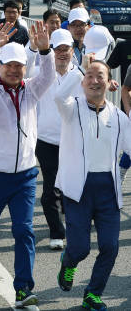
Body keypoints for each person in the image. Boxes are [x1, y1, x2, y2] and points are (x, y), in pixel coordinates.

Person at [0, 21, 54, 308]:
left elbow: (48, 76)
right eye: (9, 66)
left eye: (19, 66)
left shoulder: (31, 89)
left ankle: (23, 288)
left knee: (24, 230)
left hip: (26, 175)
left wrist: (44, 51)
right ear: (0, 66)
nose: (15, 71)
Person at [54, 55, 131, 311]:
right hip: (78, 189)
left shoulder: (120, 117)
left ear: (111, 83)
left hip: (108, 189)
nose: (95, 81)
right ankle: (69, 261)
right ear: (82, 81)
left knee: (110, 247)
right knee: (80, 248)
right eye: (90, 76)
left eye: (101, 76)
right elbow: (58, 96)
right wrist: (79, 69)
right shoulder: (71, 108)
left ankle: (92, 294)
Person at [32, 29, 77, 250]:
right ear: (51, 51)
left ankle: (70, 220)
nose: (61, 53)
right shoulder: (40, 74)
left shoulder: (80, 75)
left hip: (73, 140)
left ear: (72, 50)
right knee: (51, 188)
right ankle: (56, 232)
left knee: (71, 185)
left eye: (65, 49)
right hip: (46, 140)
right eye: (57, 49)